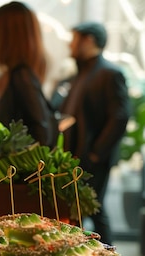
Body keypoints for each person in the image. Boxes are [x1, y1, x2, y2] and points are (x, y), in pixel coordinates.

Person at [54, 22, 131, 244]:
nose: (70, 43)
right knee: (87, 211)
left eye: (74, 38)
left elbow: (119, 116)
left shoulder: (109, 73)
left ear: (88, 40)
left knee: (91, 210)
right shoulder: (81, 74)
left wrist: (96, 153)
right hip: (78, 158)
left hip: (93, 159)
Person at [0, 1, 57, 147]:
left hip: (15, 169)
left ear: (9, 37)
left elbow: (41, 135)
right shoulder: (17, 75)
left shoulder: (21, 76)